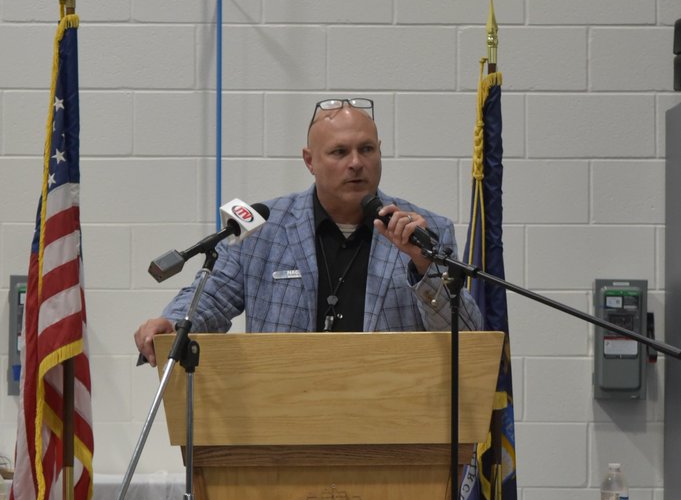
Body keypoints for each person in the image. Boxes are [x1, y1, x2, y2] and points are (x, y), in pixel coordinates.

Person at [134, 97, 481, 364]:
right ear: (310, 160)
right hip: (285, 415)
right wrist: (173, 322)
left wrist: (425, 266)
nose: (356, 163)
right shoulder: (261, 229)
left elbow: (468, 336)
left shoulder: (425, 231)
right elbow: (211, 297)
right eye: (339, 152)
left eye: (366, 149)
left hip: (392, 415)